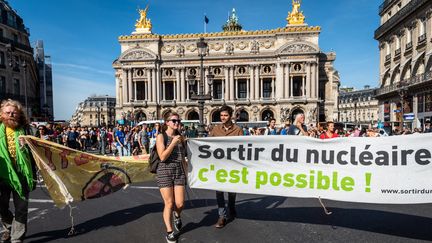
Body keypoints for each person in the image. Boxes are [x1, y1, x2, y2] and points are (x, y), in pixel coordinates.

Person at [0, 99, 36, 243]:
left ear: (19, 114)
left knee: (21, 209)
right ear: (1, 114)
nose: (11, 115)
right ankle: (9, 227)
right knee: (1, 207)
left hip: (22, 174)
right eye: (8, 112)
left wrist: (28, 145)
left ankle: (16, 237)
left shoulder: (28, 130)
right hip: (2, 175)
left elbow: (38, 152)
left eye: (14, 112)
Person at [209, 105, 243, 228]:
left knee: (232, 191)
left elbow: (242, 148)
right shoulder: (216, 129)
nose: (223, 117)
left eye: (225, 115)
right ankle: (222, 216)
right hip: (219, 166)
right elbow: (207, 144)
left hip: (232, 165)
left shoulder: (238, 130)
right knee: (219, 191)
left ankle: (232, 206)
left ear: (231, 116)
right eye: (221, 115)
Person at [155, 112, 187, 243]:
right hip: (165, 170)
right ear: (167, 122)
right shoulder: (161, 137)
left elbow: (184, 158)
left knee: (180, 203)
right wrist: (173, 143)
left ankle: (177, 215)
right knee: (169, 203)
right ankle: (169, 232)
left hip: (179, 170)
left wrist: (188, 172)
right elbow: (162, 157)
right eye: (174, 121)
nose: (177, 123)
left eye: (178, 121)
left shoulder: (181, 137)